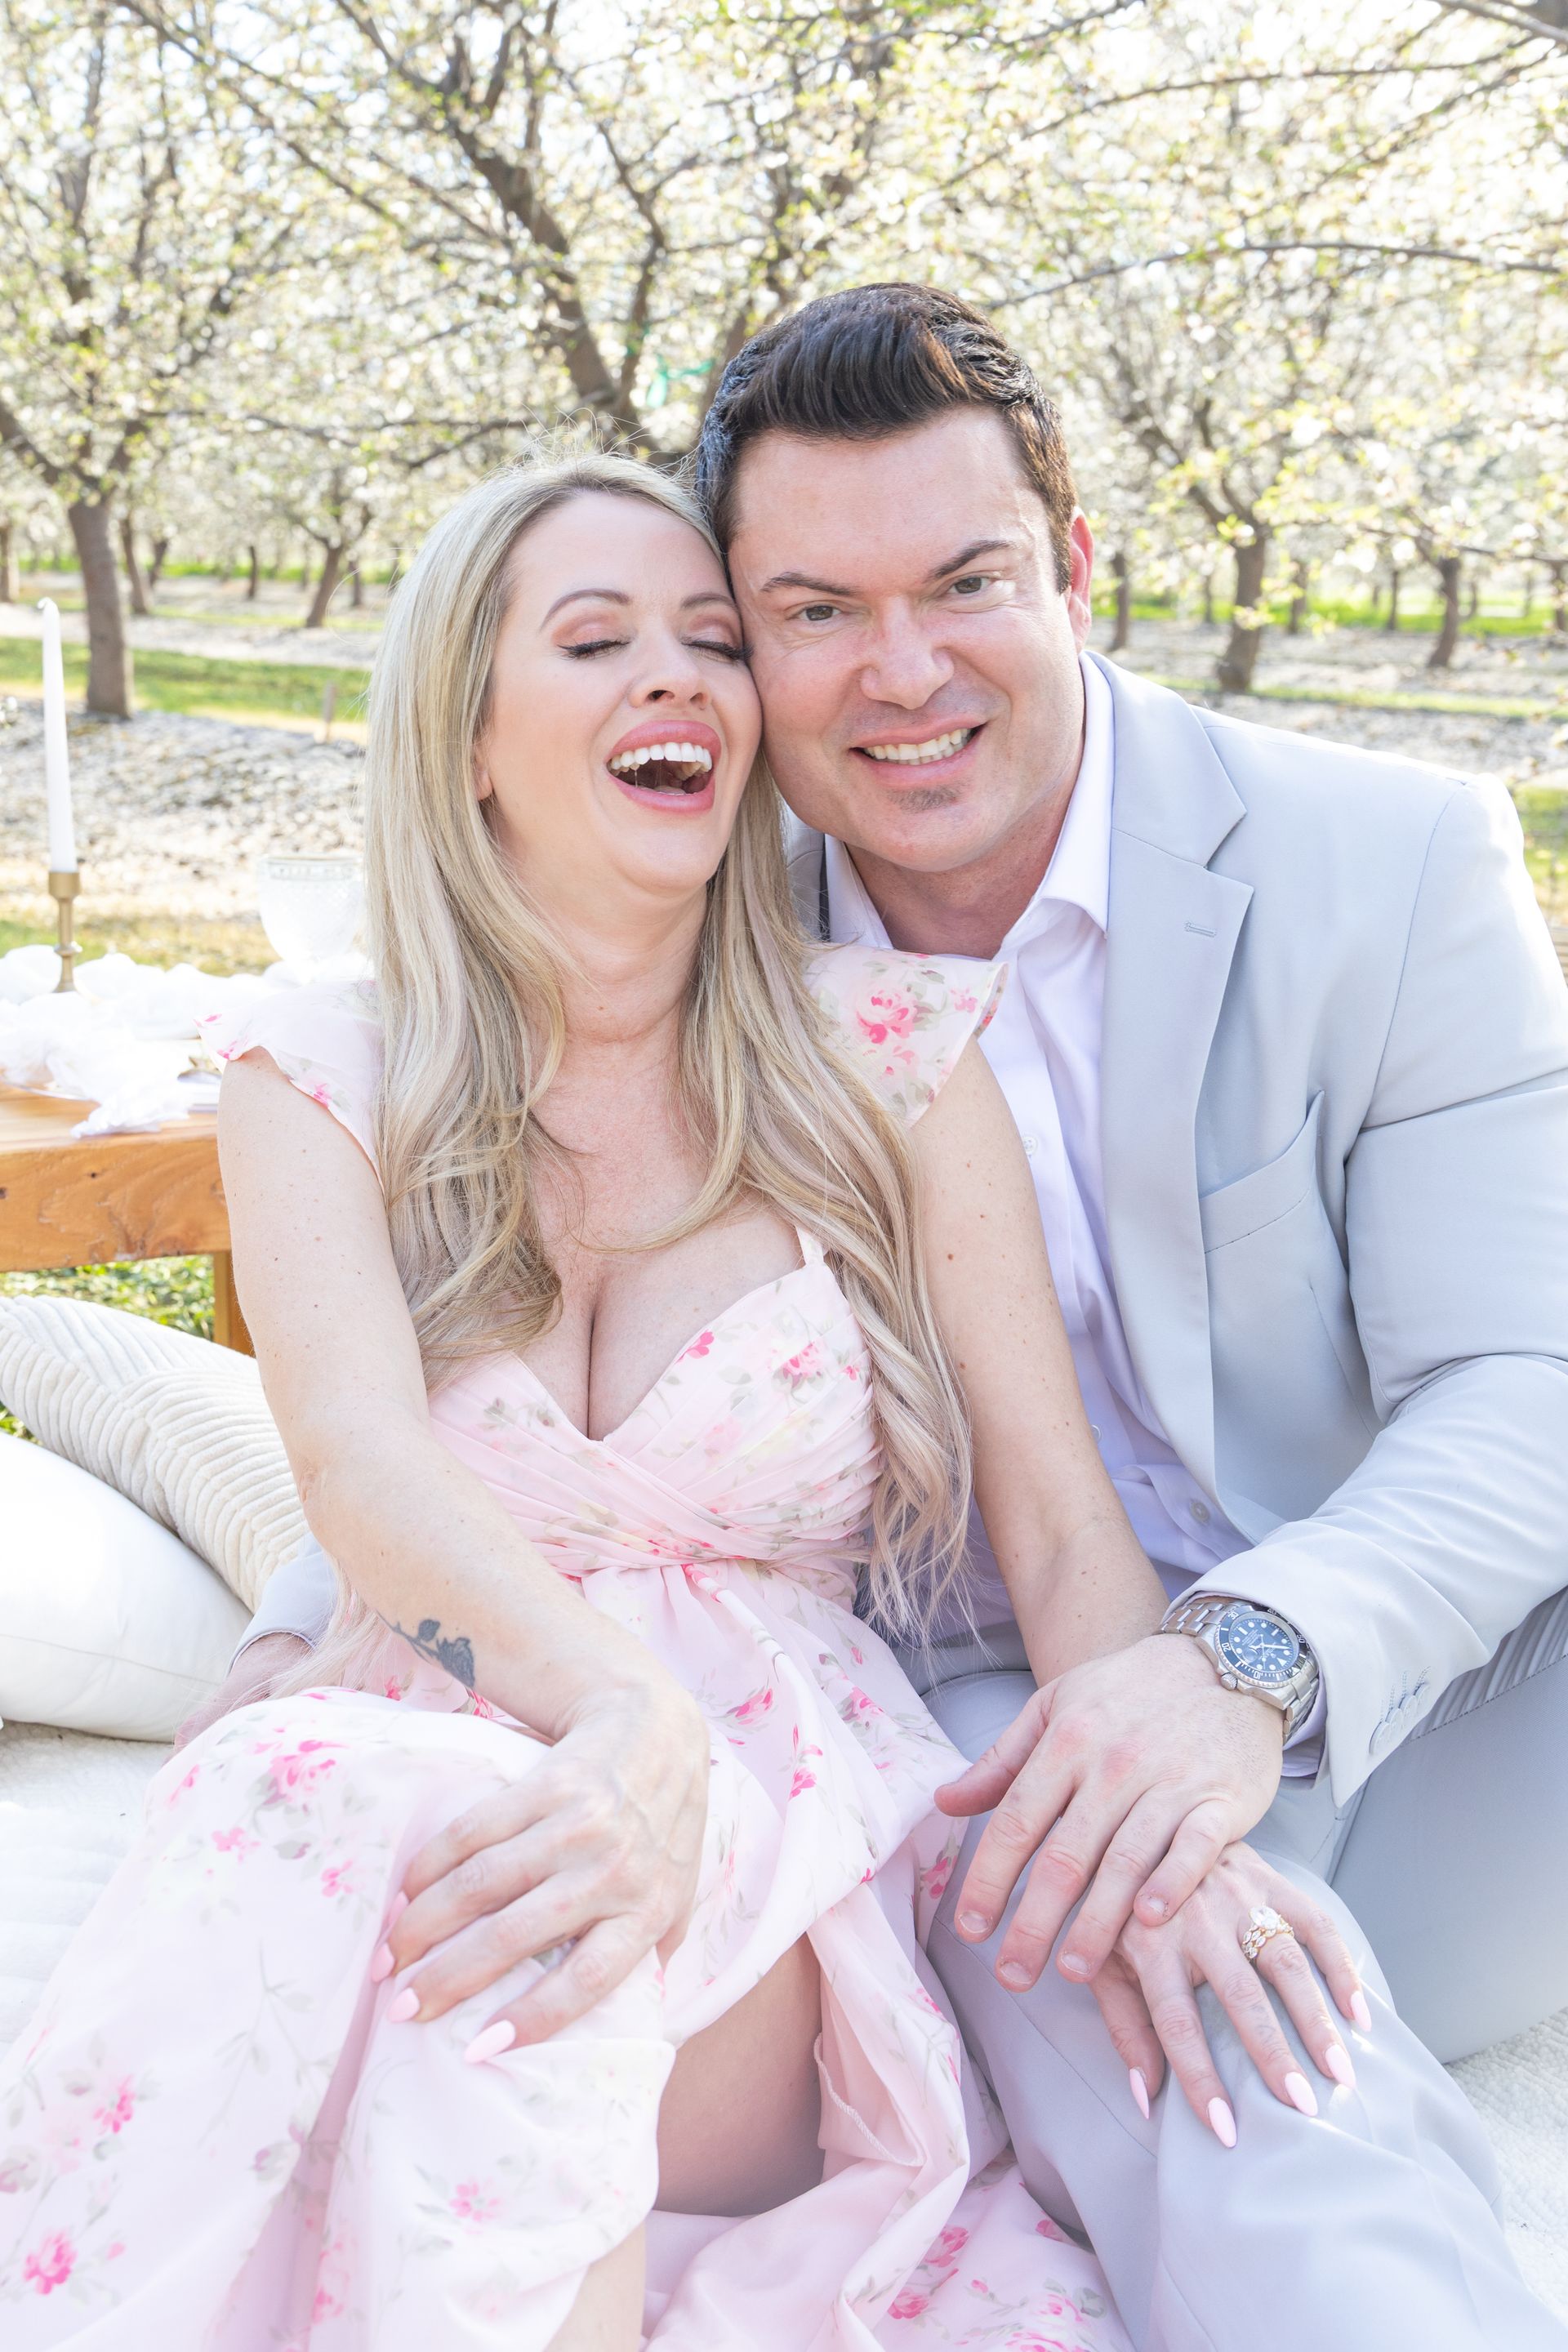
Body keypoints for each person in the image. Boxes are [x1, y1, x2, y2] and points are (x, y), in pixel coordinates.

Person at [232, 287, 1568, 2351]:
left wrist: (1243, 1666)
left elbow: (1527, 1380)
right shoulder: (683, 893)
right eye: (813, 612)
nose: (905, 671)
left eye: (965, 583)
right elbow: (483, 1361)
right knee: (1185, 2005)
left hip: (1409, 1664)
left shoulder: (1383, 863)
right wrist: (316, 1614)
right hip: (973, 1688)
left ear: (1074, 564)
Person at [4, 449, 1317, 2347]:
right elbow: (354, 1456)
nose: (678, 677)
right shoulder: (324, 1075)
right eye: (596, 638)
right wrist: (616, 1715)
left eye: (711, 639)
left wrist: (1164, 1823)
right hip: (412, 1789)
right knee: (368, 1803)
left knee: (485, 1886)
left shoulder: (883, 1061)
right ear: (467, 733)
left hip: (766, 1840)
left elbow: (1052, 1519)